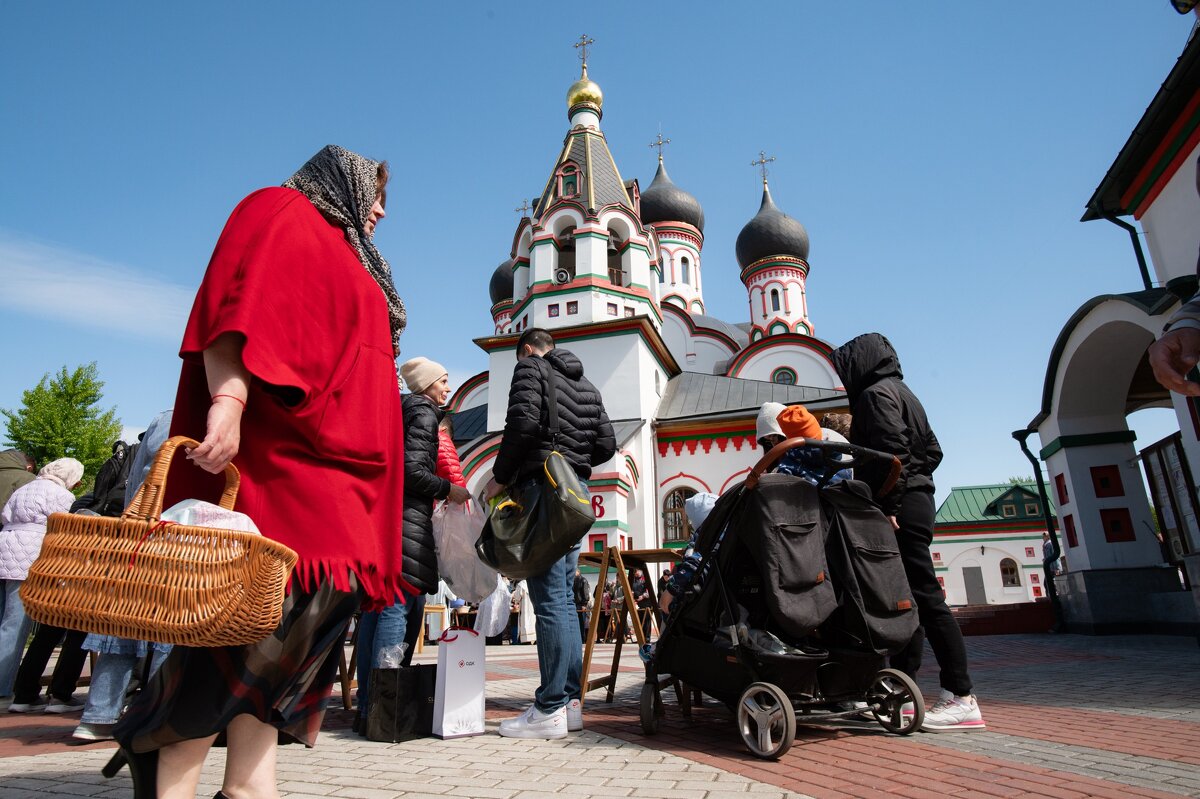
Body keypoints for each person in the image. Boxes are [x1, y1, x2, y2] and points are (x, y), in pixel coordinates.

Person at [107, 144, 408, 798]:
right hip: (284, 480)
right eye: (374, 190)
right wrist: (228, 401)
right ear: (343, 181)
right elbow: (235, 305)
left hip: (348, 490)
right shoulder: (282, 209)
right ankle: (168, 770)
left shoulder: (354, 255)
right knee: (236, 649)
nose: (382, 207)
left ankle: (247, 783)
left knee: (282, 663)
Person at [831, 332, 984, 733]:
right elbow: (932, 452)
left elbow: (891, 453)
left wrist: (891, 504)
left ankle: (960, 695)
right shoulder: (904, 392)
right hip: (919, 501)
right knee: (909, 601)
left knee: (924, 599)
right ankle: (901, 694)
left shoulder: (873, 396)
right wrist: (915, 485)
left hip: (898, 507)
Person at [483, 327, 616, 739]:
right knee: (561, 596)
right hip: (573, 496)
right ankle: (571, 704)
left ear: (526, 350)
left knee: (550, 599)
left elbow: (521, 424)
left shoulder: (530, 370)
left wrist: (500, 477)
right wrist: (574, 459)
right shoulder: (588, 385)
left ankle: (550, 706)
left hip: (542, 490)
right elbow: (607, 445)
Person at [354, 358, 469, 732]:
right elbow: (413, 471)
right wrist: (448, 489)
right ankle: (385, 711)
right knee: (398, 607)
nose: (447, 389)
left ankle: (367, 708)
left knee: (377, 608)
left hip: (384, 519)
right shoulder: (423, 412)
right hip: (408, 521)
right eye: (444, 381)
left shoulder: (398, 410)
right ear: (427, 385)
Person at [75, 414, 175, 742]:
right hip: (183, 532)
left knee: (123, 621)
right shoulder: (221, 414)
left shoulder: (164, 417)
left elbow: (134, 480)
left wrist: (131, 518)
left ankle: (99, 715)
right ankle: (160, 715)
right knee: (174, 624)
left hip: (139, 530)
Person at [0, 458, 85, 711]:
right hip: (32, 553)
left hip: (6, 545)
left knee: (5, 621)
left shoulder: (24, 488)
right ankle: (4, 688)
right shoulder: (62, 496)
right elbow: (67, 528)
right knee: (16, 624)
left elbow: (6, 514)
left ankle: (15, 688)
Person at [572, 568, 591, 642]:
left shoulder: (583, 580)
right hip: (575, 604)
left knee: (582, 623)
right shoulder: (574, 581)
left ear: (578, 572)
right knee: (577, 622)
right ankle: (578, 638)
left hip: (581, 604)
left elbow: (585, 593)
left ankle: (582, 638)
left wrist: (584, 604)